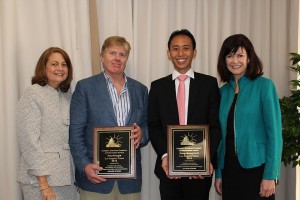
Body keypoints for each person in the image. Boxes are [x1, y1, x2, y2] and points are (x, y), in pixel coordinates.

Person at [69, 36, 149, 200]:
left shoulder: (140, 90)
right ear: (102, 57)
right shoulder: (85, 87)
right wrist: (84, 166)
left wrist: (142, 135)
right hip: (96, 179)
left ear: (126, 58)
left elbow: (148, 125)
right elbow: (75, 133)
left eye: (122, 54)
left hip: (129, 183)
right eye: (112, 53)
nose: (117, 58)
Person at [148, 29, 221, 200]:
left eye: (186, 48)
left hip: (199, 174)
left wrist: (205, 158)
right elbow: (154, 126)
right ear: (168, 53)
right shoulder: (158, 87)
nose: (181, 53)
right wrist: (165, 155)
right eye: (175, 48)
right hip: (168, 170)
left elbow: (215, 126)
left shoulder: (209, 84)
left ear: (194, 52)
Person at [214, 34, 282, 200]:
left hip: (257, 168)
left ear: (249, 58)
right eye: (229, 56)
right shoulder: (222, 92)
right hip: (229, 170)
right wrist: (219, 173)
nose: (234, 61)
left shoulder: (264, 86)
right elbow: (222, 138)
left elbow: (275, 134)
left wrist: (270, 175)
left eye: (240, 55)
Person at [17, 47, 78, 200]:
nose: (60, 68)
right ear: (43, 68)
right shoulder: (33, 93)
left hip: (67, 179)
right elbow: (29, 141)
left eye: (64, 65)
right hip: (41, 181)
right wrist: (43, 184)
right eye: (54, 64)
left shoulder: (67, 96)